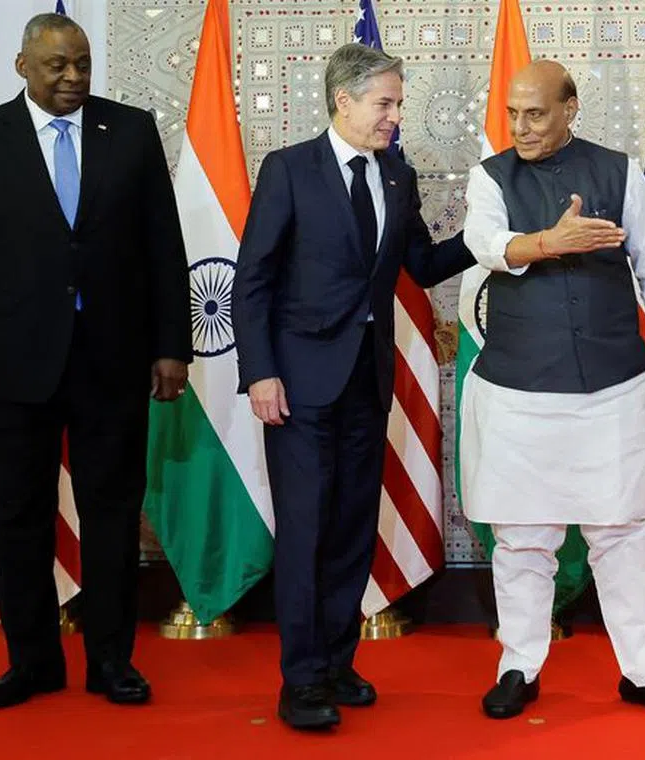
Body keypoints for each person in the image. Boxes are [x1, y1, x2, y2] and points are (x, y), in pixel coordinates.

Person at [0, 13, 190, 709]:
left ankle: (111, 661)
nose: (73, 77)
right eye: (57, 66)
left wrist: (172, 345)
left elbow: (164, 247)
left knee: (112, 513)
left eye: (82, 64)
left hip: (112, 360)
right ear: (22, 67)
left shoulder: (130, 131)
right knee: (15, 516)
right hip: (11, 368)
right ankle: (32, 662)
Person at [231, 43, 475, 732]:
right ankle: (301, 681)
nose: (396, 117)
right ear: (345, 100)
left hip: (368, 381)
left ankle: (338, 662)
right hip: (298, 385)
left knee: (349, 532)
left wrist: (485, 236)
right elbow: (253, 281)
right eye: (386, 103)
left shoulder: (397, 174)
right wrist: (261, 372)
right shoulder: (289, 170)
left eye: (397, 104)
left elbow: (422, 264)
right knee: (306, 532)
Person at [459, 60, 645, 720]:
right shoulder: (490, 177)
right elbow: (484, 243)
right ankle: (519, 664)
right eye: (513, 113)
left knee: (622, 532)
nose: (521, 126)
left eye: (535, 113)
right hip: (517, 389)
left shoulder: (618, 173)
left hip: (613, 385)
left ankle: (642, 668)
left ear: (570, 110)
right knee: (523, 538)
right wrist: (548, 241)